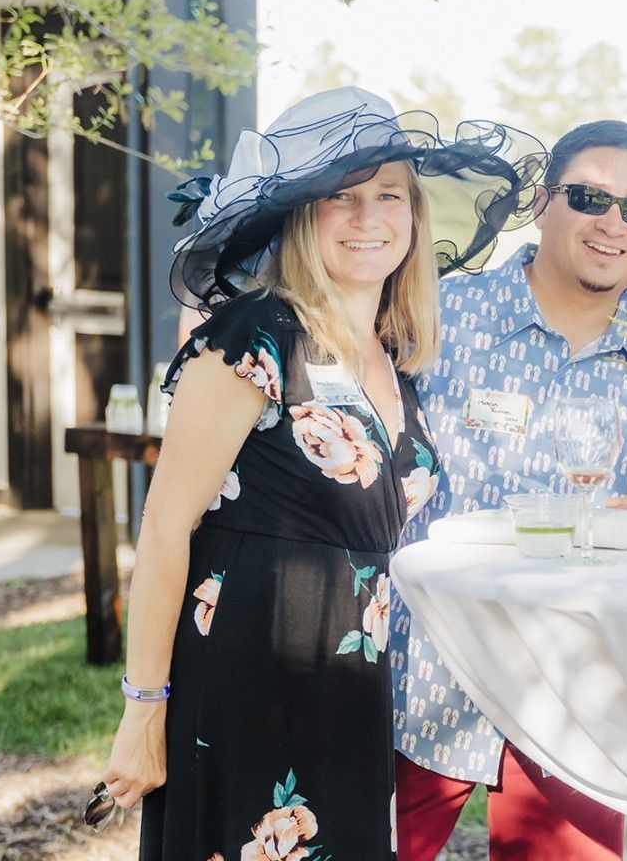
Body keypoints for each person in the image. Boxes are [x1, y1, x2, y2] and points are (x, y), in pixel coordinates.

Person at [97, 87, 542, 860]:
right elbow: (166, 525)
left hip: (350, 681)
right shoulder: (255, 332)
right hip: (246, 669)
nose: (369, 218)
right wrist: (142, 709)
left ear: (414, 215)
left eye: (389, 196)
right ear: (303, 215)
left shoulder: (394, 353)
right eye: (342, 197)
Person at [391, 120, 627, 861]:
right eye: (588, 196)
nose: (611, 223)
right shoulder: (436, 312)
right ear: (540, 203)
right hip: (426, 664)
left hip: (581, 688)